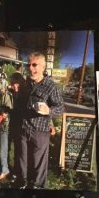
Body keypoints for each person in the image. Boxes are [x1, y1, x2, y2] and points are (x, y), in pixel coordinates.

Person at [14, 52, 64, 189]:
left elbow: (60, 107)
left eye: (34, 65)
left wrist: (49, 111)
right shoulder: (27, 83)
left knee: (39, 162)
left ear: (43, 67)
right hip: (24, 128)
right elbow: (21, 103)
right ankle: (23, 182)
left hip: (40, 130)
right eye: (28, 64)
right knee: (22, 158)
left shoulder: (50, 86)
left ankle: (38, 186)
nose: (30, 68)